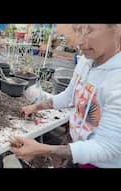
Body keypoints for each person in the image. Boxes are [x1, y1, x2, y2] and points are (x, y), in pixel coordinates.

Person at [10, 24, 121, 168]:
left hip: (100, 163)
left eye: (88, 30)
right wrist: (36, 106)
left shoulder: (117, 79)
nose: (79, 43)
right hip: (76, 148)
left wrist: (42, 149)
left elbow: (108, 147)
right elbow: (69, 96)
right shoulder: (87, 60)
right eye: (77, 31)